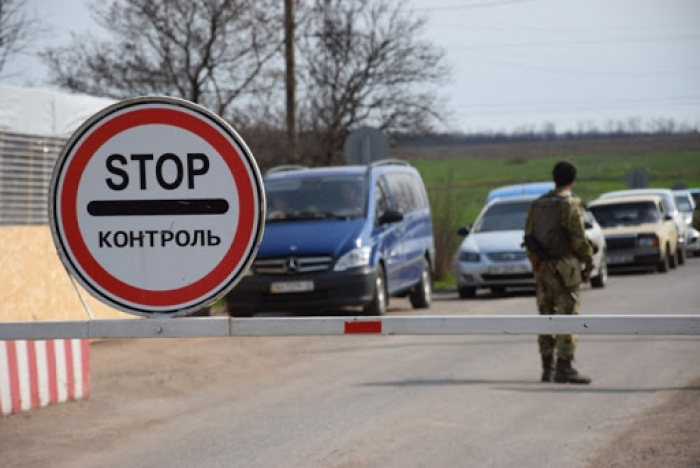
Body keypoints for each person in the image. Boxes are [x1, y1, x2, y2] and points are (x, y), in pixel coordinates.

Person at [524, 161, 594, 384]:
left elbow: (529, 236)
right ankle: (564, 367)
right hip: (566, 269)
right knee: (568, 317)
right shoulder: (570, 204)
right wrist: (589, 262)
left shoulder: (537, 204)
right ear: (572, 180)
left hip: (544, 270)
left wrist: (536, 264)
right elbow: (578, 239)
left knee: (545, 316)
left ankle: (547, 367)